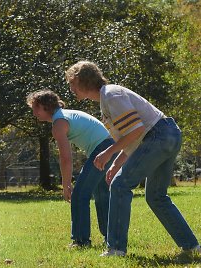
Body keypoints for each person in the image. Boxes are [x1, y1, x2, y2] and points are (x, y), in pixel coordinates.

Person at [65, 60, 201, 256]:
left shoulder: (111, 94)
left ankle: (116, 248)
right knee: (156, 196)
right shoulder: (107, 98)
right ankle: (192, 247)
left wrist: (108, 153)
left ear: (81, 80)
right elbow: (133, 138)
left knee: (120, 185)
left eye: (72, 83)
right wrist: (116, 165)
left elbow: (136, 131)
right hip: (166, 135)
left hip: (158, 136)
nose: (70, 88)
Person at [27, 89, 116, 248]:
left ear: (46, 106)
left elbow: (66, 158)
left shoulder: (59, 123)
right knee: (101, 192)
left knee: (79, 194)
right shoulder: (64, 115)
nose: (34, 113)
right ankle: (111, 237)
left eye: (36, 108)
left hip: (103, 148)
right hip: (110, 146)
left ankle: (81, 241)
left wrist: (66, 185)